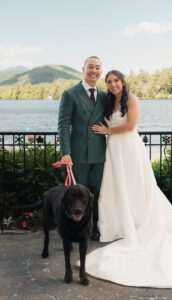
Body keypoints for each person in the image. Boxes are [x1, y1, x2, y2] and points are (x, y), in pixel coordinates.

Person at [83, 70, 172, 288]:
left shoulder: (132, 100)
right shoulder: (109, 102)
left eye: (116, 80)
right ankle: (116, 227)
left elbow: (129, 126)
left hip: (129, 148)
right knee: (116, 189)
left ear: (123, 82)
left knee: (135, 188)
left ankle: (137, 225)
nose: (113, 84)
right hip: (114, 150)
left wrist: (105, 130)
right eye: (109, 82)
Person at [58, 56, 107, 240]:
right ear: (83, 69)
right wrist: (65, 152)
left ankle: (93, 228)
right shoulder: (70, 94)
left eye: (98, 67)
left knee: (95, 195)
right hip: (77, 154)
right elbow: (63, 125)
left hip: (99, 153)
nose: (94, 70)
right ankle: (74, 229)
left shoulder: (103, 95)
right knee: (77, 196)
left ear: (101, 71)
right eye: (90, 67)